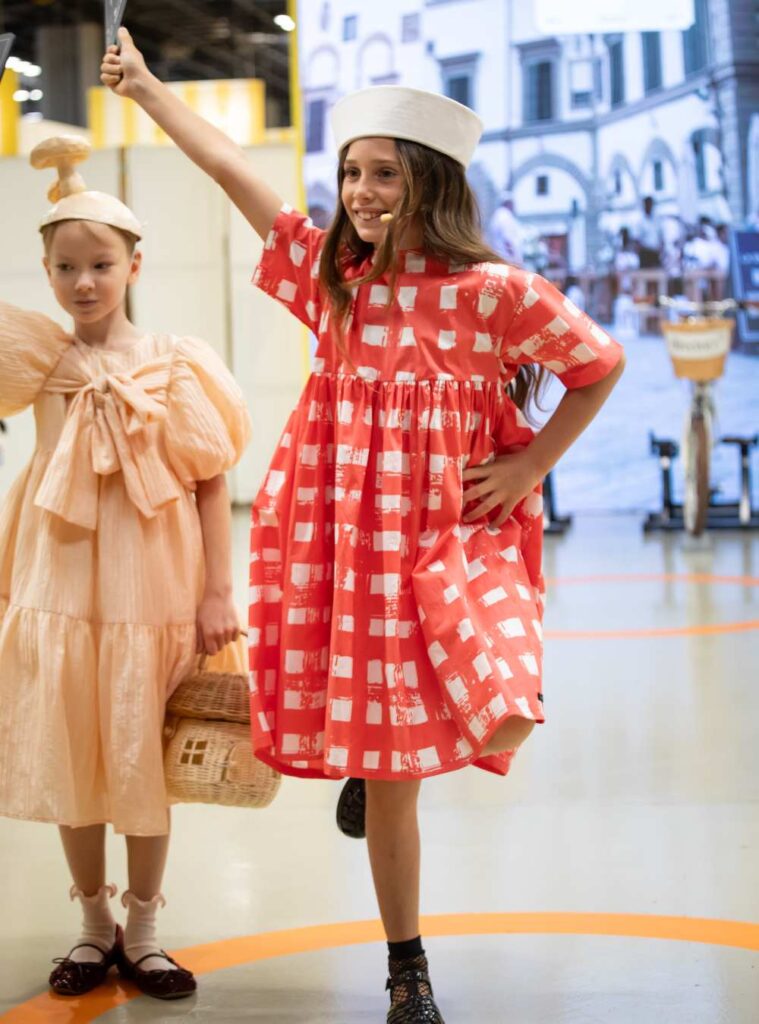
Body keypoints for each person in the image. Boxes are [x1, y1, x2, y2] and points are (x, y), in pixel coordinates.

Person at [102, 31, 625, 1023]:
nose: (362, 190)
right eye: (351, 172)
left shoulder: (493, 294)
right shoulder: (335, 280)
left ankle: (375, 765)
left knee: (498, 700)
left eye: (384, 172)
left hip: (446, 544)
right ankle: (406, 966)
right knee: (394, 776)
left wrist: (530, 464)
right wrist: (152, 90)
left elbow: (598, 365)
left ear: (431, 181)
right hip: (343, 547)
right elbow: (230, 169)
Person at [0, 136, 251, 999]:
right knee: (69, 749)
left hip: (155, 582)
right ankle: (91, 924)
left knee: (146, 750)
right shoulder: (40, 360)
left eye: (101, 264)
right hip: (61, 581)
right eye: (66, 267)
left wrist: (218, 591)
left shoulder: (176, 363)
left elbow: (211, 482)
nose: (84, 282)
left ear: (134, 265)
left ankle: (143, 928)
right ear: (46, 272)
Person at [487, 188, 524, 265]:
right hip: (508, 258)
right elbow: (508, 239)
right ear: (508, 203)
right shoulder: (505, 216)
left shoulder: (497, 215)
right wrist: (514, 257)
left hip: (500, 257)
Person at [634, 195, 664, 268]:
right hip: (645, 253)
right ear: (644, 205)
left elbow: (661, 236)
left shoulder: (657, 220)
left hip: (655, 252)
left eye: (650, 204)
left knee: (657, 271)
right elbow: (637, 239)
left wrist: (661, 249)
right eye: (647, 204)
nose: (649, 206)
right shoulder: (640, 221)